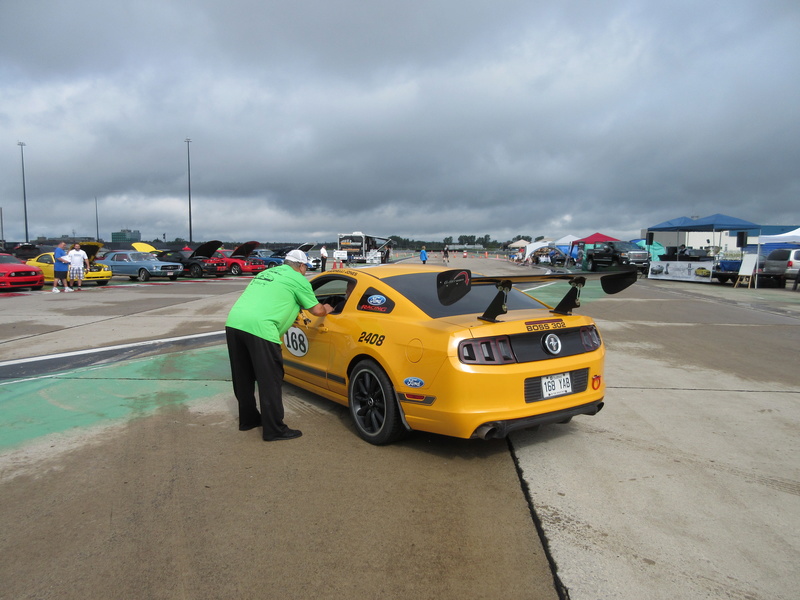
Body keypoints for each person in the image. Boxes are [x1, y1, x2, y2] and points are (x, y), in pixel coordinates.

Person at [225, 249, 331, 441]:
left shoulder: (266, 273)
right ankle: (274, 429)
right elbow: (316, 310)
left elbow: (274, 299)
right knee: (270, 381)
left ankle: (248, 420)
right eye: (306, 267)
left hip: (234, 324)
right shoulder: (299, 279)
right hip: (262, 329)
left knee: (243, 378)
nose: (306, 271)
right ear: (301, 266)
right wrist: (328, 308)